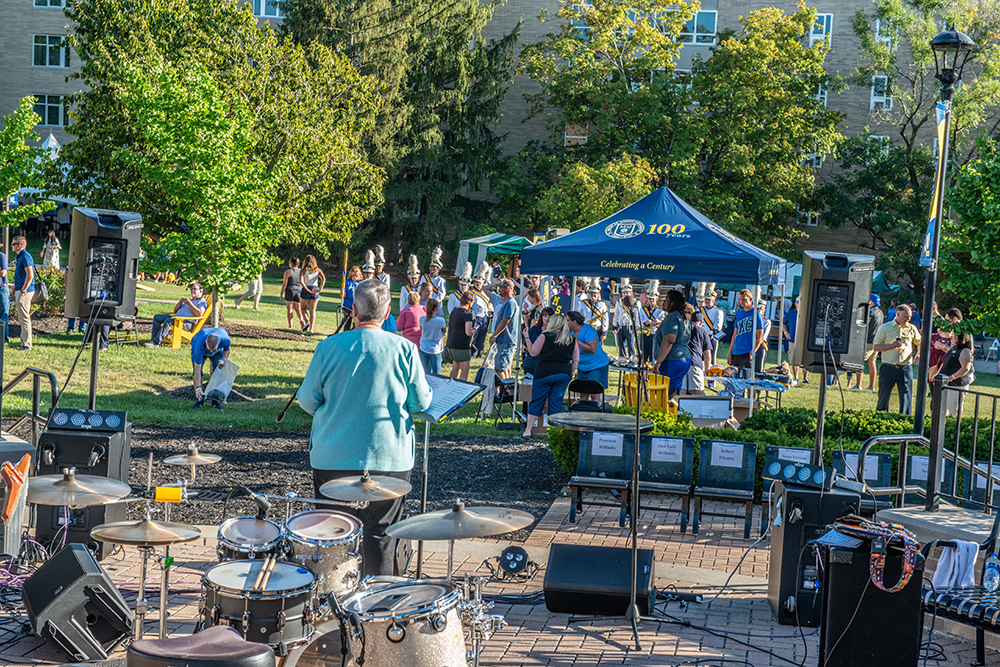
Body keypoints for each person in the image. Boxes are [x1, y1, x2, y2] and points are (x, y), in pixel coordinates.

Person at [298, 280, 431, 576]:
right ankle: (378, 609)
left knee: (334, 535)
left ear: (354, 310)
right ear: (387, 315)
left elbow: (307, 400)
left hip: (333, 456)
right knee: (382, 535)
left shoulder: (328, 346)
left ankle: (334, 606)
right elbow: (421, 402)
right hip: (389, 457)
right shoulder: (405, 349)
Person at [522, 313, 579, 437]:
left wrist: (527, 337)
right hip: (563, 374)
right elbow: (575, 360)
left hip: (544, 373)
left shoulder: (545, 335)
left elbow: (533, 352)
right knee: (556, 403)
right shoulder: (572, 338)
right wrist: (569, 373)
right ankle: (554, 432)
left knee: (537, 401)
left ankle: (528, 430)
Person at [873, 304, 921, 414]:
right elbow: (876, 347)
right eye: (905, 316)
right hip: (888, 367)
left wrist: (918, 352)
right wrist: (892, 345)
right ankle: (881, 417)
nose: (908, 319)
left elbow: (919, 342)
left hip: (905, 368)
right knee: (883, 396)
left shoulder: (911, 328)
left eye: (909, 316)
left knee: (906, 397)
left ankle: (904, 418)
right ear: (897, 314)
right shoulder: (885, 328)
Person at [653, 291, 692, 397]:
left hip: (672, 360)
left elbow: (669, 340)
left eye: (666, 300)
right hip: (684, 359)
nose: (663, 302)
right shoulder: (683, 317)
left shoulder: (672, 317)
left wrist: (658, 362)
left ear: (673, 302)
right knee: (674, 391)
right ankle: (673, 411)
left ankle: (666, 411)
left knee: (664, 392)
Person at [146, 282, 208, 348]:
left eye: (195, 289)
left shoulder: (202, 301)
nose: (192, 290)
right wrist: (180, 302)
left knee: (169, 321)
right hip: (177, 319)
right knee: (157, 317)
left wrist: (190, 304)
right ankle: (153, 340)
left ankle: (156, 342)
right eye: (191, 289)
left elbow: (200, 314)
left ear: (200, 291)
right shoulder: (189, 300)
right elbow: (175, 311)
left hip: (187, 323)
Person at [566, 310, 609, 400]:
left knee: (594, 394)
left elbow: (592, 349)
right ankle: (582, 413)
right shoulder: (569, 331)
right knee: (583, 394)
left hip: (597, 365)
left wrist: (577, 341)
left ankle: (595, 412)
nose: (565, 323)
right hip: (583, 367)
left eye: (567, 321)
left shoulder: (588, 330)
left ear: (574, 322)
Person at [932, 332, 975, 417]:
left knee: (954, 410)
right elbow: (945, 363)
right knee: (943, 410)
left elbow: (965, 368)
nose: (952, 337)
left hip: (956, 385)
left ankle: (955, 426)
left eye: (955, 336)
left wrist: (952, 377)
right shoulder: (953, 348)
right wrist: (937, 374)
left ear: (961, 339)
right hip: (945, 383)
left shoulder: (965, 351)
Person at [191, 327, 231, 410]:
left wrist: (224, 359)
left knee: (217, 371)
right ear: (206, 342)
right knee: (197, 373)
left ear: (219, 342)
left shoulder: (225, 339)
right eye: (209, 350)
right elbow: (197, 370)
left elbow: (227, 349)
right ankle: (199, 399)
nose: (211, 352)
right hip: (198, 345)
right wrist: (198, 387)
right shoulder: (200, 345)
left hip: (218, 352)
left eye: (213, 350)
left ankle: (215, 400)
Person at [851, 294, 885, 391]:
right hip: (877, 341)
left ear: (871, 301)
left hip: (868, 341)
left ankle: (858, 385)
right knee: (872, 363)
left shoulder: (869, 312)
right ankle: (871, 387)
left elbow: (863, 326)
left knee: (860, 362)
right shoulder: (881, 312)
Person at [727, 289, 765, 372]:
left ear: (750, 300)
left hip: (747, 351)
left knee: (746, 379)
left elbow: (760, 336)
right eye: (740, 299)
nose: (742, 302)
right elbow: (734, 335)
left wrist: (753, 351)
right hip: (736, 351)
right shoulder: (739, 314)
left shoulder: (756, 314)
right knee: (733, 377)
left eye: (744, 299)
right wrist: (730, 353)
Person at [489, 279, 520, 379]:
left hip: (506, 341)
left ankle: (505, 391)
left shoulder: (510, 303)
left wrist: (495, 335)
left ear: (507, 288)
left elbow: (505, 320)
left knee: (500, 369)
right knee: (503, 368)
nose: (499, 289)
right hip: (504, 341)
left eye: (501, 287)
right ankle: (505, 391)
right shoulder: (508, 303)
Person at [11, 236, 35, 351]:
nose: (12, 246)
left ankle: (27, 345)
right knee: (22, 318)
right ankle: (23, 342)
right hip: (20, 289)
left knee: (24, 318)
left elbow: (30, 275)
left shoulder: (25, 256)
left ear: (19, 245)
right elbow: (20, 276)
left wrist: (23, 290)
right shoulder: (20, 256)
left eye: (13, 244)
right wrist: (14, 289)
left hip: (24, 291)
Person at [447, 291, 476, 381]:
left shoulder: (454, 310)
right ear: (470, 301)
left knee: (455, 367)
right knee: (464, 370)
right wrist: (474, 330)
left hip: (451, 343)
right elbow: (468, 332)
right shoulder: (467, 314)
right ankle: (461, 389)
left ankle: (450, 386)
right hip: (462, 345)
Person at [685, 310, 714, 395]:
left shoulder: (683, 329)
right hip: (695, 363)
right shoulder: (703, 332)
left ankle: (679, 408)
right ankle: (705, 407)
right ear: (701, 323)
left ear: (690, 320)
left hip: (681, 362)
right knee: (698, 391)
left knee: (681, 391)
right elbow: (707, 354)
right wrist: (707, 369)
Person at [469, 261, 493, 357]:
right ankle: (472, 351)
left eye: (480, 282)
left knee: (482, 335)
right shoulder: (471, 292)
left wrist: (491, 311)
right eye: (476, 282)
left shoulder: (486, 292)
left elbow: (489, 302)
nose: (478, 284)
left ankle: (478, 352)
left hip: (485, 316)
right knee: (474, 335)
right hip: (476, 316)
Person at [522, 306, 554, 377]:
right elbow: (525, 346)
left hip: (545, 367)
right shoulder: (534, 329)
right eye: (545, 316)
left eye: (550, 316)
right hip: (531, 365)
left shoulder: (554, 332)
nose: (547, 319)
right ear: (541, 317)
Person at [418, 298, 446, 375]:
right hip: (435, 349)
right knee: (436, 375)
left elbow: (421, 329)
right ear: (437, 309)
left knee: (425, 374)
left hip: (424, 347)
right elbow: (444, 331)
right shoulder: (441, 320)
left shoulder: (422, 319)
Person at [299, 255, 325, 334]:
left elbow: (301, 281)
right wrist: (320, 288)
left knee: (303, 308)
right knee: (312, 310)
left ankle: (307, 321)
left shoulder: (303, 270)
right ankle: (311, 329)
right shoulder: (318, 270)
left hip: (306, 289)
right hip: (315, 289)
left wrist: (307, 289)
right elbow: (323, 278)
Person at [638, 281, 663, 361]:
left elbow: (662, 320)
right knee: (644, 353)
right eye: (650, 299)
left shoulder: (660, 310)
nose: (651, 300)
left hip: (654, 333)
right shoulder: (643, 309)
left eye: (653, 299)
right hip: (645, 334)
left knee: (653, 354)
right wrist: (646, 322)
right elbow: (640, 319)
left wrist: (655, 322)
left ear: (656, 299)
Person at [614, 281, 638, 358]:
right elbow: (616, 314)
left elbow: (637, 316)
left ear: (631, 293)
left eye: (627, 292)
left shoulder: (635, 302)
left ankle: (632, 358)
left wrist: (636, 327)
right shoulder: (619, 302)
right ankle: (622, 358)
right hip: (621, 325)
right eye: (624, 293)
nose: (626, 294)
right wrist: (615, 326)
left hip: (630, 326)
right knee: (621, 344)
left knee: (631, 344)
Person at [701, 290, 725, 367]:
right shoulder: (700, 309)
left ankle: (711, 378)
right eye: (706, 299)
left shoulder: (718, 311)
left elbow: (718, 327)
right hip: (700, 336)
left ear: (714, 300)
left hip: (710, 337)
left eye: (709, 299)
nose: (707, 301)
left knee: (711, 359)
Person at [282, 258, 305, 330]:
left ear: (291, 263)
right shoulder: (301, 271)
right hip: (299, 291)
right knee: (298, 309)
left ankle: (290, 326)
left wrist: (281, 293)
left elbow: (285, 284)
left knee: (290, 309)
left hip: (290, 291)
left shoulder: (288, 272)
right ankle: (301, 320)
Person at [755, 298, 772, 373]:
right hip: (748, 343)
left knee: (758, 368)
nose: (758, 310)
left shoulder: (766, 321)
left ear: (764, 310)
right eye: (757, 308)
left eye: (760, 309)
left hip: (760, 345)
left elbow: (762, 336)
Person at [0, 248, 8, 344]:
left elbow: (2, 273)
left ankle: (4, 339)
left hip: (2, 289)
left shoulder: (2, 256)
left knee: (3, 314)